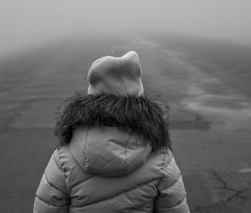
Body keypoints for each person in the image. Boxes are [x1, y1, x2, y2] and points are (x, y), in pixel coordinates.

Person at [34, 51, 190, 213]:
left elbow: (46, 208)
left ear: (92, 93)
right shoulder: (161, 158)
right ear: (139, 93)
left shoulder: (64, 159)